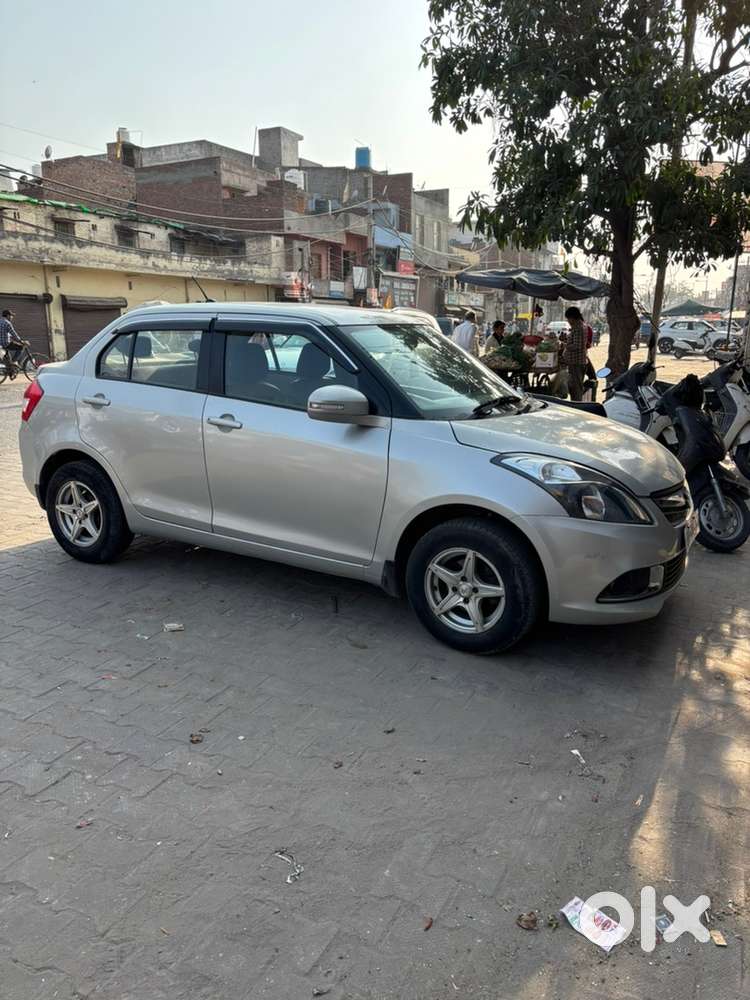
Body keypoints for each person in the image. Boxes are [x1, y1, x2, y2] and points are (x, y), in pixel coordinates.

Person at [563, 306, 588, 401]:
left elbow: (577, 346)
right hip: (578, 361)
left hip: (576, 363)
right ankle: (576, 403)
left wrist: (565, 345)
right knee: (575, 386)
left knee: (576, 388)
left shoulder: (578, 327)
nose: (568, 321)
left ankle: (576, 406)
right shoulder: (581, 325)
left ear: (573, 317)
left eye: (569, 318)